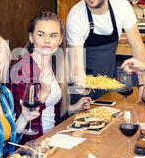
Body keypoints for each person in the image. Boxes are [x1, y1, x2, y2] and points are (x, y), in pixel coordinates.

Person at [65, 0, 145, 102]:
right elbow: (76, 68)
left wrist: (143, 83)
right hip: (81, 86)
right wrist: (84, 93)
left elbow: (137, 46)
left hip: (109, 83)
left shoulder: (122, 7)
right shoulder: (76, 16)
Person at [10, 12, 92, 143]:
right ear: (31, 37)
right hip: (33, 144)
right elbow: (19, 122)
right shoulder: (20, 70)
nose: (47, 40)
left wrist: (73, 108)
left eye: (53, 35)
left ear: (60, 40)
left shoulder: (53, 64)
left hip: (54, 137)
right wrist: (43, 93)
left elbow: (52, 108)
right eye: (41, 35)